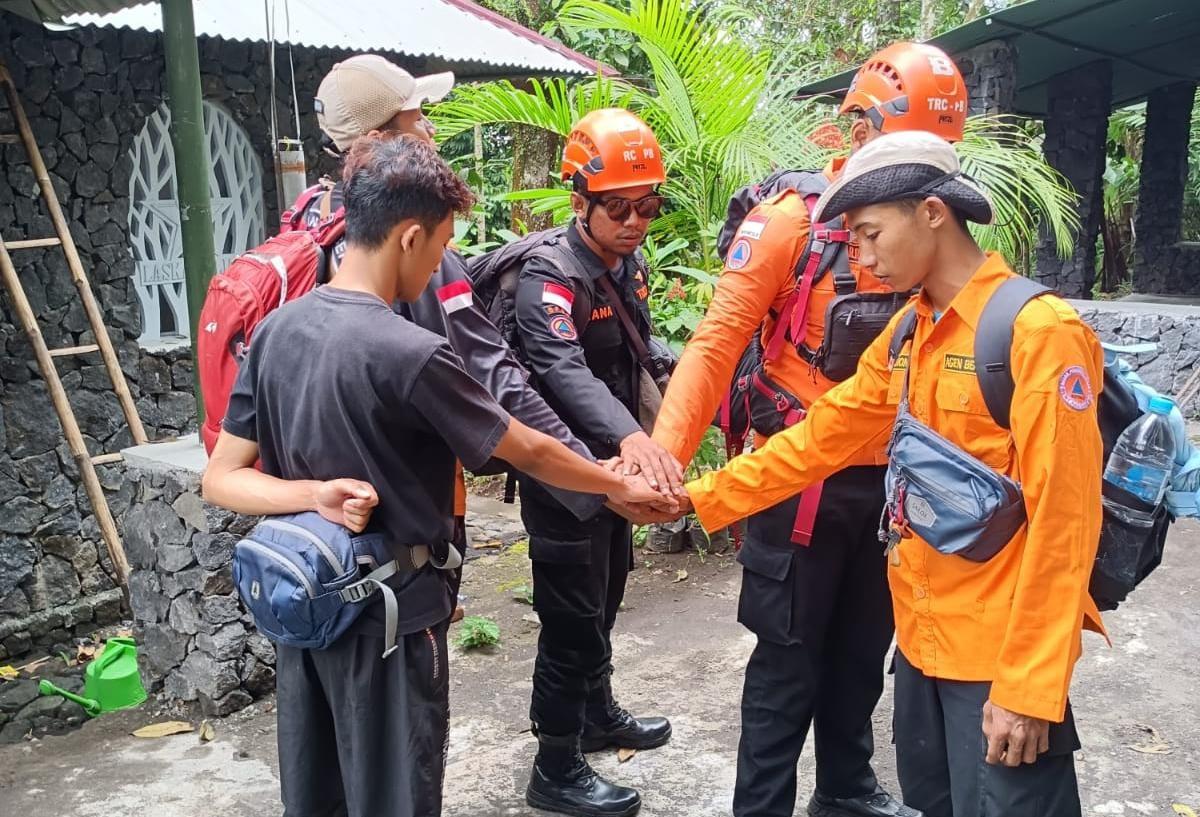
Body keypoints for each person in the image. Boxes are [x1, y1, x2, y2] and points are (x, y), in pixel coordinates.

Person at [202, 134, 672, 817]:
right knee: (398, 794)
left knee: (319, 791)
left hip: (303, 609)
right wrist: (615, 483)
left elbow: (222, 478)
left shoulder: (279, 330)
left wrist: (311, 497)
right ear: (409, 236)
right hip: (390, 616)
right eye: (441, 244)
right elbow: (526, 448)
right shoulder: (411, 351)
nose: (444, 268)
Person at [680, 130, 1105, 817]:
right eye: (854, 243)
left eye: (873, 235)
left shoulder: (1038, 332)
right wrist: (696, 496)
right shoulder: (911, 330)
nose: (866, 259)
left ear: (933, 212)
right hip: (921, 648)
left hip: (996, 663)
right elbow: (823, 436)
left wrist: (1029, 689)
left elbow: (1066, 524)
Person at [650, 42, 967, 817]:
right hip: (798, 483)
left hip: (892, 484)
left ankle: (847, 786)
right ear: (859, 133)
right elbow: (718, 341)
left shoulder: (934, 230)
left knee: (864, 650)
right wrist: (665, 461)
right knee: (787, 665)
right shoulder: (791, 223)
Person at [302, 54, 615, 579]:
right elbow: (493, 377)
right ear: (386, 139)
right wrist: (592, 478)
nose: (430, 127)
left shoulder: (314, 223)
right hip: (403, 520)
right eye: (418, 115)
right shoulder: (418, 247)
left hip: (318, 518)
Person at [508, 108, 683, 817]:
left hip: (613, 470)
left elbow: (638, 348)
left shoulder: (625, 262)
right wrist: (630, 438)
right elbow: (561, 365)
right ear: (579, 200)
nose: (636, 220)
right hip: (561, 472)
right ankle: (554, 763)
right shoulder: (547, 274)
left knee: (608, 591)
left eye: (648, 205)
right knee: (571, 614)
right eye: (619, 206)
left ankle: (596, 712)